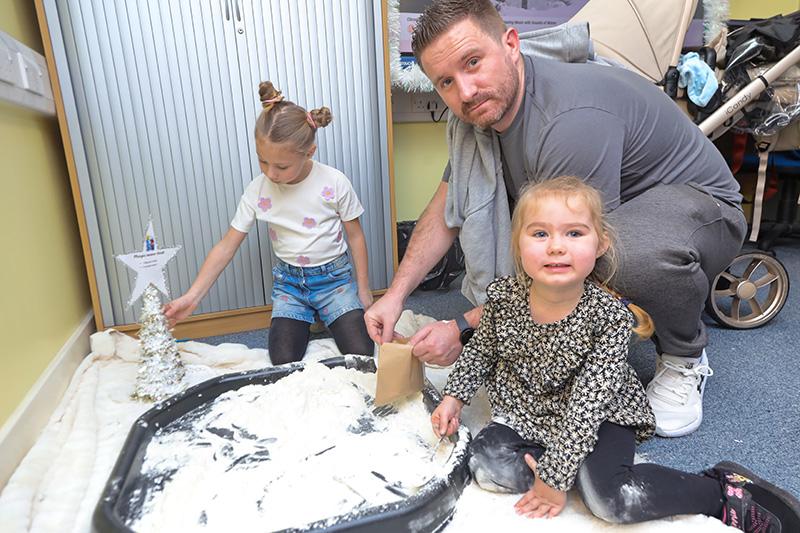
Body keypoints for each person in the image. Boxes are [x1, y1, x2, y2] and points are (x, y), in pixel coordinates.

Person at [365, 0, 748, 437]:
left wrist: (463, 328)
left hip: (703, 210)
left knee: (603, 253)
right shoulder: (478, 122)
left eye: (473, 62)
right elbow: (446, 205)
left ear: (510, 43)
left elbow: (574, 246)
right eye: (446, 82)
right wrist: (395, 294)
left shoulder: (567, 120)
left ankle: (685, 356)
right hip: (616, 206)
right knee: (550, 243)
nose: (465, 91)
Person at [430, 176, 799, 531]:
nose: (556, 246)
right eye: (540, 233)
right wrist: (454, 397)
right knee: (486, 466)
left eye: (574, 233)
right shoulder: (502, 298)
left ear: (600, 244)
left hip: (601, 414)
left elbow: (588, 404)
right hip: (530, 410)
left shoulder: (608, 318)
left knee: (610, 499)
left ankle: (721, 491)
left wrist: (557, 476)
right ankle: (567, 461)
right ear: (519, 243)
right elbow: (481, 350)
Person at [165, 81, 374, 364]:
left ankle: (329, 315)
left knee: (361, 352)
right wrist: (192, 297)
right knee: (282, 360)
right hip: (290, 286)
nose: (271, 173)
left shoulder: (334, 182)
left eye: (282, 166)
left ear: (309, 152)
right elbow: (227, 245)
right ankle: (310, 318)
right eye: (263, 162)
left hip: (334, 281)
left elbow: (356, 236)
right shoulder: (257, 190)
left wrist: (362, 290)